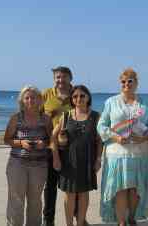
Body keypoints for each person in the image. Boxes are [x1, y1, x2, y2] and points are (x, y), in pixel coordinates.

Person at [98, 68, 148, 226]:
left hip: (140, 153)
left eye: (130, 81)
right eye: (123, 81)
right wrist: (115, 137)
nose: (126, 84)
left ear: (136, 83)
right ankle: (121, 221)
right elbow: (101, 125)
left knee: (135, 188)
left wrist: (144, 136)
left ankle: (132, 218)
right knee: (120, 188)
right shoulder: (111, 102)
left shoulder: (144, 104)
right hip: (117, 153)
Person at [4, 85, 55, 226]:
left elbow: (51, 140)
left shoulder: (46, 119)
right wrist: (21, 143)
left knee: (35, 200)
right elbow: (7, 139)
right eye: (27, 98)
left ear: (40, 100)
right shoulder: (16, 118)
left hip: (39, 165)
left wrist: (43, 144)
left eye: (33, 97)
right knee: (16, 200)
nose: (30, 100)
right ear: (22, 101)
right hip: (17, 164)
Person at [54, 85, 102, 226]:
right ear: (71, 99)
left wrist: (98, 159)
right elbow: (52, 138)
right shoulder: (66, 115)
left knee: (83, 194)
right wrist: (56, 157)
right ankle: (69, 224)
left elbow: (99, 141)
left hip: (87, 160)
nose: (78, 98)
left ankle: (80, 223)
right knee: (69, 194)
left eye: (82, 95)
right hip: (69, 160)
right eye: (75, 96)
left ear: (88, 97)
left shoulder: (96, 116)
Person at [41, 66, 73, 226]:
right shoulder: (46, 94)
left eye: (63, 77)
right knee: (50, 186)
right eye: (57, 77)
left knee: (73, 185)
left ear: (70, 78)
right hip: (51, 146)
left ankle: (78, 217)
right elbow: (36, 115)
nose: (60, 80)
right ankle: (48, 220)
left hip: (72, 147)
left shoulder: (77, 94)